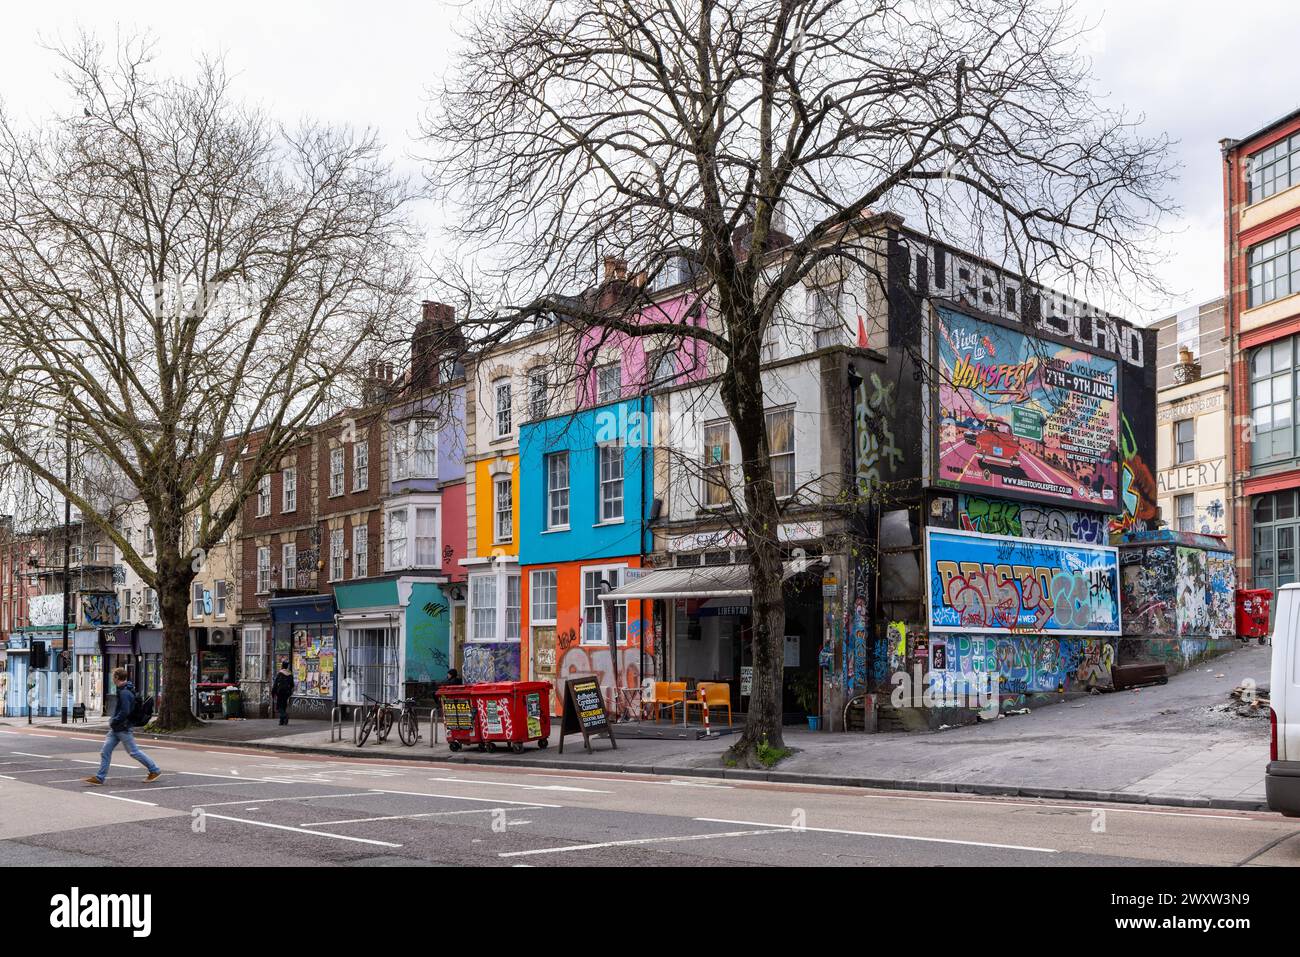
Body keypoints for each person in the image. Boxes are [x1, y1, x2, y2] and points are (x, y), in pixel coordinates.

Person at [83, 668, 160, 785]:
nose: (112, 679)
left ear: (117, 678)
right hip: (117, 728)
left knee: (134, 752)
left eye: (113, 677)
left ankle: (154, 770)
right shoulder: (125, 690)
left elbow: (125, 711)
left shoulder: (124, 692)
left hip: (123, 727)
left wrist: (115, 720)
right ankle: (100, 777)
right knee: (105, 752)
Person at [271, 661, 294, 725]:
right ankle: (282, 721)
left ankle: (285, 716)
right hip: (287, 693)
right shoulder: (290, 674)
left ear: (282, 666)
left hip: (280, 692)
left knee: (279, 707)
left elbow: (275, 684)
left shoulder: (280, 674)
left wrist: (273, 692)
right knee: (283, 706)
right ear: (287, 667)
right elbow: (292, 685)